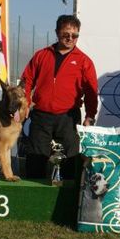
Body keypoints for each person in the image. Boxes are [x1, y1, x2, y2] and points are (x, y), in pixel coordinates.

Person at [19, 14, 98, 179]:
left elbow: (91, 91)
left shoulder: (84, 61)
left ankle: (67, 199)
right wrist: (25, 104)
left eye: (74, 35)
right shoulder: (41, 55)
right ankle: (33, 197)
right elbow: (27, 80)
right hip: (41, 116)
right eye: (65, 34)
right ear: (57, 32)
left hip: (68, 117)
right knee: (35, 159)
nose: (70, 38)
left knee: (70, 160)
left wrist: (90, 115)